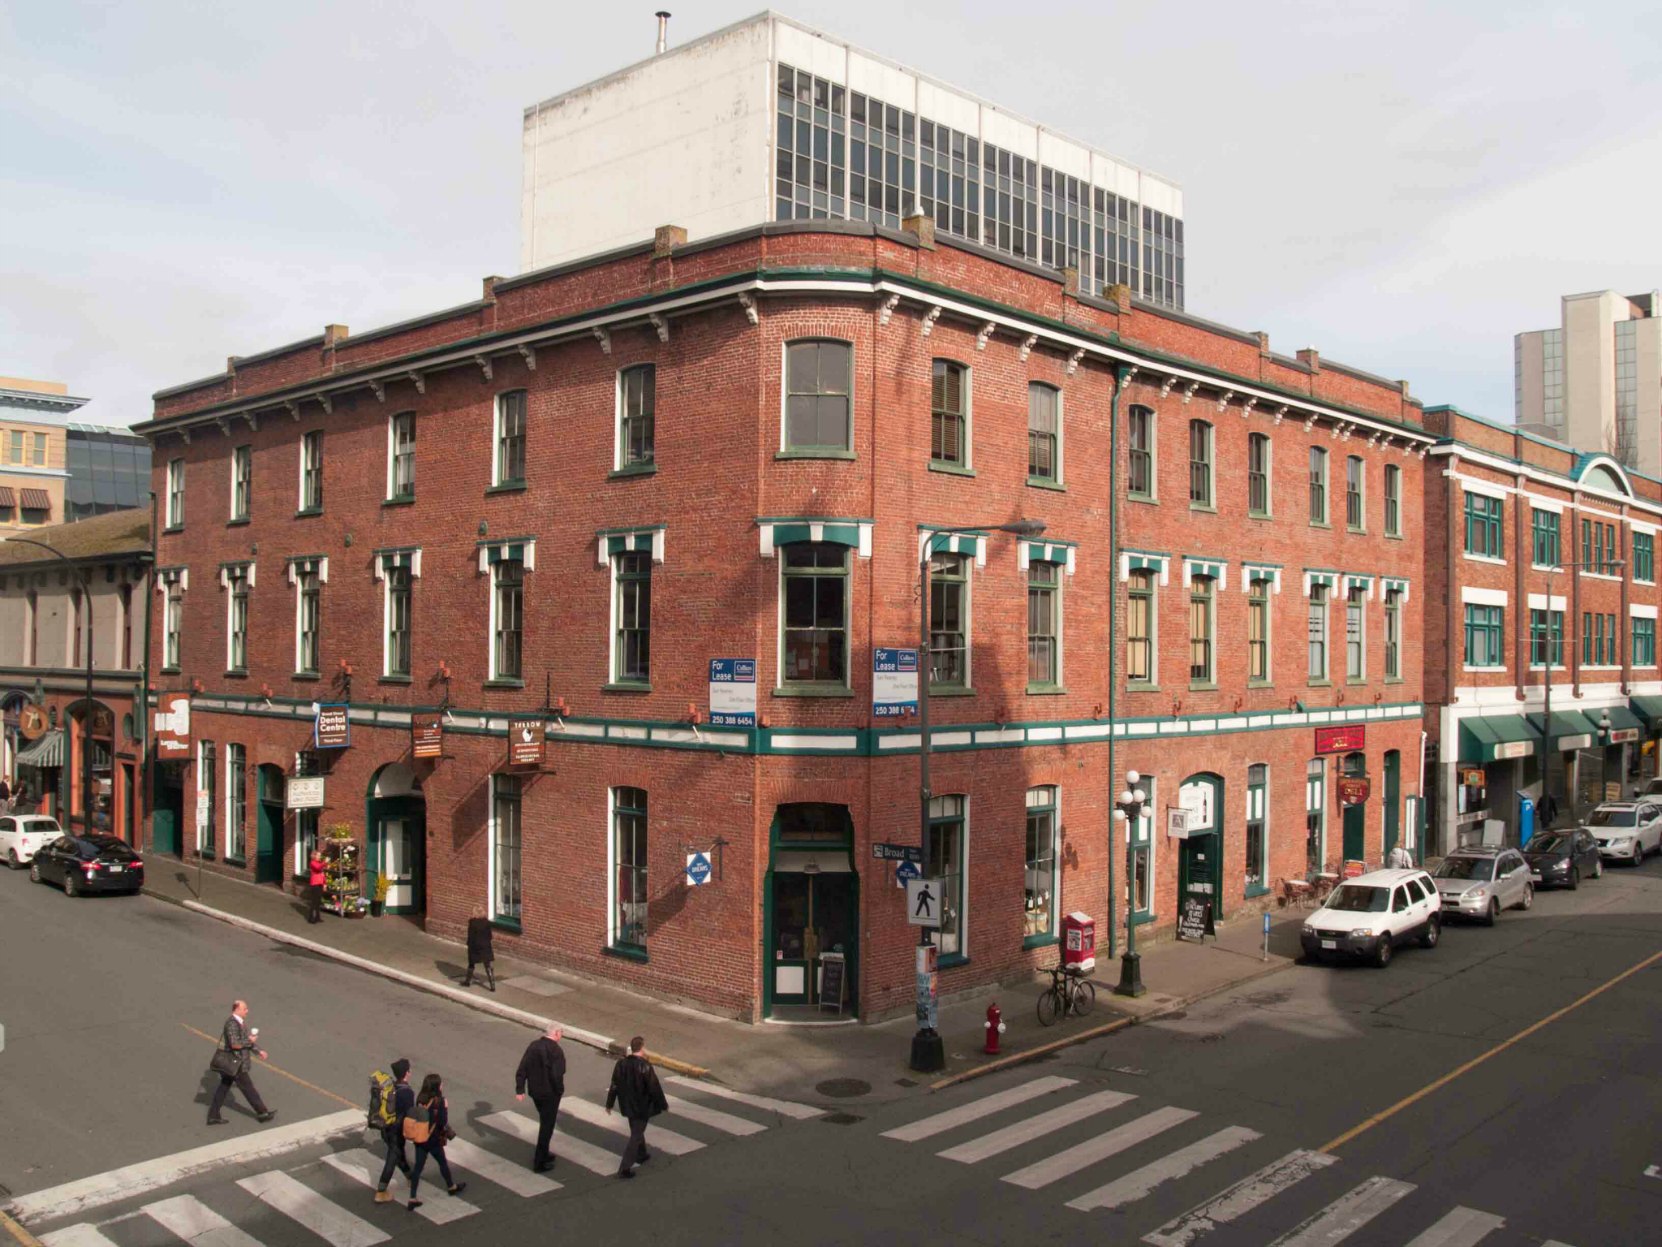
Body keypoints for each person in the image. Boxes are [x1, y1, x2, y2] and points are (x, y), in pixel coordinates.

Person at [604, 1035, 667, 1180]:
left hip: (627, 1105)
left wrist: (609, 1104)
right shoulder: (645, 1066)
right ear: (642, 1048)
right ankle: (624, 1168)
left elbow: (614, 1085)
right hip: (642, 1106)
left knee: (636, 1129)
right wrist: (663, 1104)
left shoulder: (621, 1064)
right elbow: (654, 1088)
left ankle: (641, 1153)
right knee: (636, 1135)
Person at [207, 1000, 276, 1126]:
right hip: (236, 1062)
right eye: (245, 1009)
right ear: (237, 1009)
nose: (247, 1011)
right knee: (248, 1088)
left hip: (233, 1062)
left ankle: (213, 1115)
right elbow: (235, 1044)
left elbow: (243, 1041)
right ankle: (262, 1113)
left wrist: (258, 1051)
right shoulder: (232, 1024)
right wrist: (250, 1040)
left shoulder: (240, 1023)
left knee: (223, 1088)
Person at [406, 1073, 467, 1211]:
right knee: (442, 1162)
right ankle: (451, 1186)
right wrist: (445, 1108)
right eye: (440, 1083)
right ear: (437, 1087)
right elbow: (442, 1122)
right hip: (433, 1140)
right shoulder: (440, 1101)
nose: (442, 1085)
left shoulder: (420, 1099)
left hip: (420, 1139)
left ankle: (412, 1197)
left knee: (418, 1168)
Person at [514, 1025, 567, 1172]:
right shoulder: (556, 1050)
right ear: (556, 1034)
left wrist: (520, 1088)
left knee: (545, 1121)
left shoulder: (534, 1046)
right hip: (550, 1094)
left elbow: (522, 1067)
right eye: (561, 1033)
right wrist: (559, 1091)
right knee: (547, 1127)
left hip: (535, 1092)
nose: (561, 1035)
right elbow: (558, 1074)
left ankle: (544, 1153)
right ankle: (539, 1161)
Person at [373, 1058, 415, 1203]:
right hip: (397, 1131)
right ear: (406, 1073)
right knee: (393, 1158)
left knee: (398, 1154)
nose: (411, 1072)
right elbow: (410, 1114)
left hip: (385, 1128)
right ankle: (381, 1191)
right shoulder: (407, 1092)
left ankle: (410, 1177)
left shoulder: (389, 1087)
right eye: (409, 1070)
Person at [462, 914, 495, 991]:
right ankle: (492, 985)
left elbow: (470, 936)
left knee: (471, 963)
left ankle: (467, 982)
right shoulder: (487, 922)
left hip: (474, 946)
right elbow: (490, 936)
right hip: (485, 946)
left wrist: (469, 944)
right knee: (487, 965)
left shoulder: (472, 923)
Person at [306, 847, 327, 924]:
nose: (319, 857)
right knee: (314, 902)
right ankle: (311, 918)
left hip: (320, 884)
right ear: (314, 856)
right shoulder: (312, 863)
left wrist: (325, 884)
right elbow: (318, 868)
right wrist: (324, 862)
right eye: (318, 855)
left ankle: (318, 917)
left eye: (320, 855)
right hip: (314, 884)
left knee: (318, 901)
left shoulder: (319, 862)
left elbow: (322, 874)